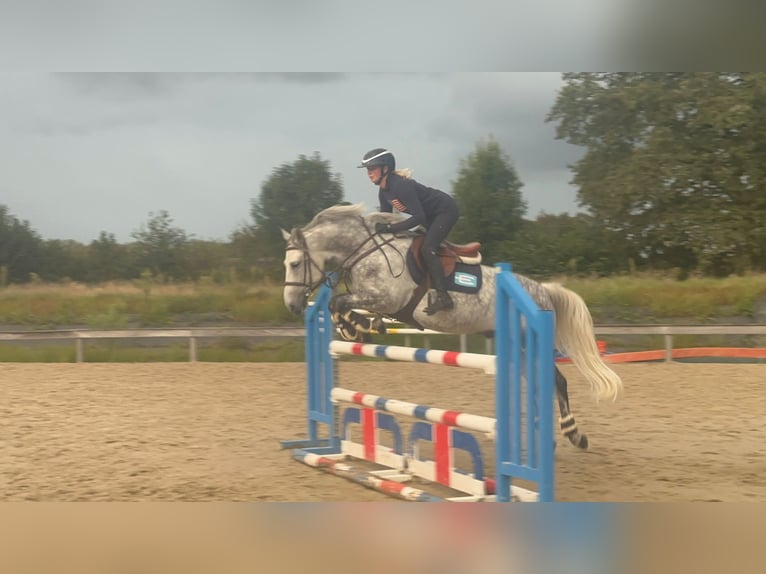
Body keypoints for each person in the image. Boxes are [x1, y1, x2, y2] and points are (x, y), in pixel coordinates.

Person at [358, 148, 458, 315]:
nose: (368, 173)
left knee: (428, 248)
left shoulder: (401, 186)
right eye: (367, 170)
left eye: (371, 169)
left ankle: (444, 296)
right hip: (430, 216)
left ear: (385, 168)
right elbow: (386, 218)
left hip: (445, 211)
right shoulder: (384, 192)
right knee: (410, 245)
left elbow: (418, 217)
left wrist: (389, 229)